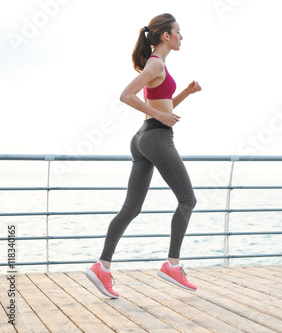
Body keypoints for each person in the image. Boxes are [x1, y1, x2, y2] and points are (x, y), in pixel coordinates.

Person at [85, 13, 202, 298]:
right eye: (178, 31)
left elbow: (161, 105)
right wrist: (160, 115)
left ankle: (102, 266)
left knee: (131, 208)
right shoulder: (156, 63)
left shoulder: (158, 65)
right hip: (156, 138)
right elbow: (127, 95)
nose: (181, 37)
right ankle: (172, 265)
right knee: (188, 200)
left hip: (142, 139)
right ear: (166, 35)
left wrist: (184, 93)